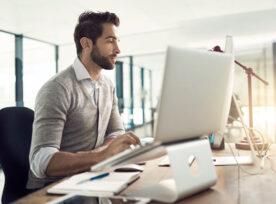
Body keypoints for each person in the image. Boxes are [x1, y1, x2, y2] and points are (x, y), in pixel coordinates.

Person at [27, 11, 140, 189]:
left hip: (92, 179)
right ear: (86, 43)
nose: (118, 50)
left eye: (117, 41)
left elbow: (116, 134)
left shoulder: (107, 85)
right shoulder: (57, 88)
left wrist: (100, 155)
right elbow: (42, 161)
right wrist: (101, 156)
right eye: (110, 41)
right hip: (54, 190)